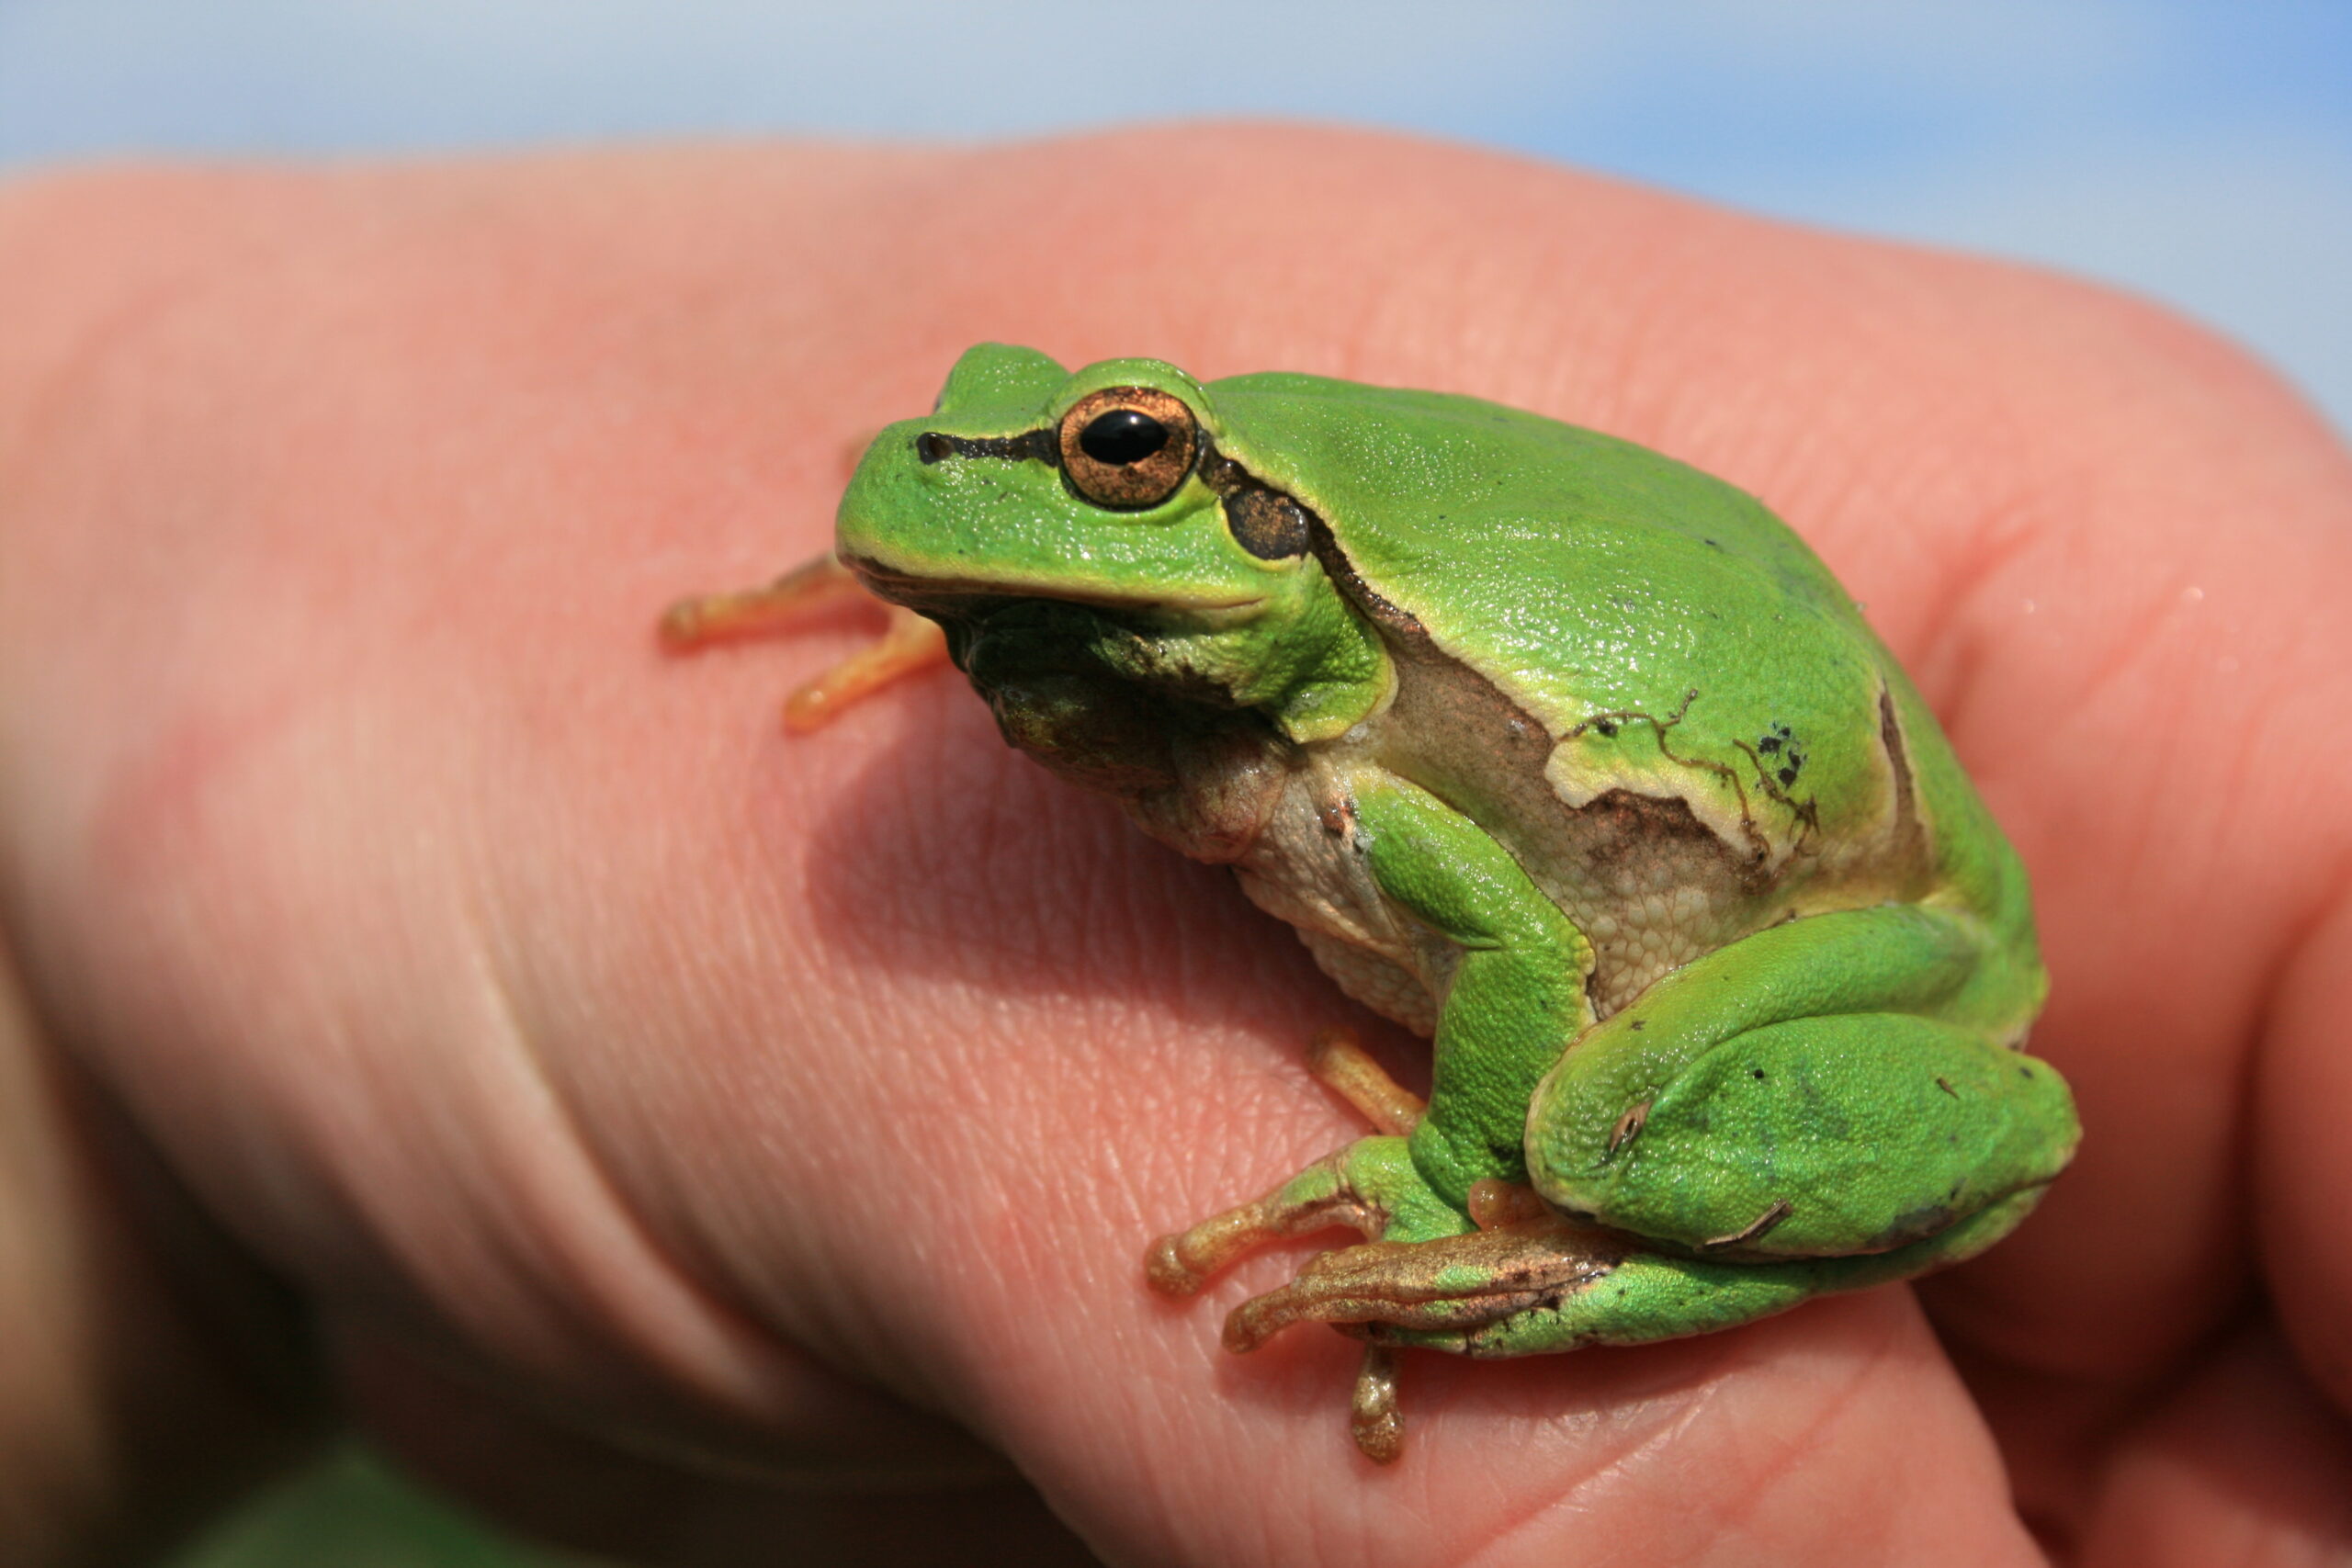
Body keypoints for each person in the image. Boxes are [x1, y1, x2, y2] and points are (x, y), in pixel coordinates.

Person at [0, 127, 2346, 1567]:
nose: (998, 459)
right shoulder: (1213, 621)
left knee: (1586, 1111)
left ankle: (1526, 1246)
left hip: (1769, 922)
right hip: (1708, 713)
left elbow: (1506, 932)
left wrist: (1451, 1184)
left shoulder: (1370, 760)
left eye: (1110, 458)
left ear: (1234, 509)